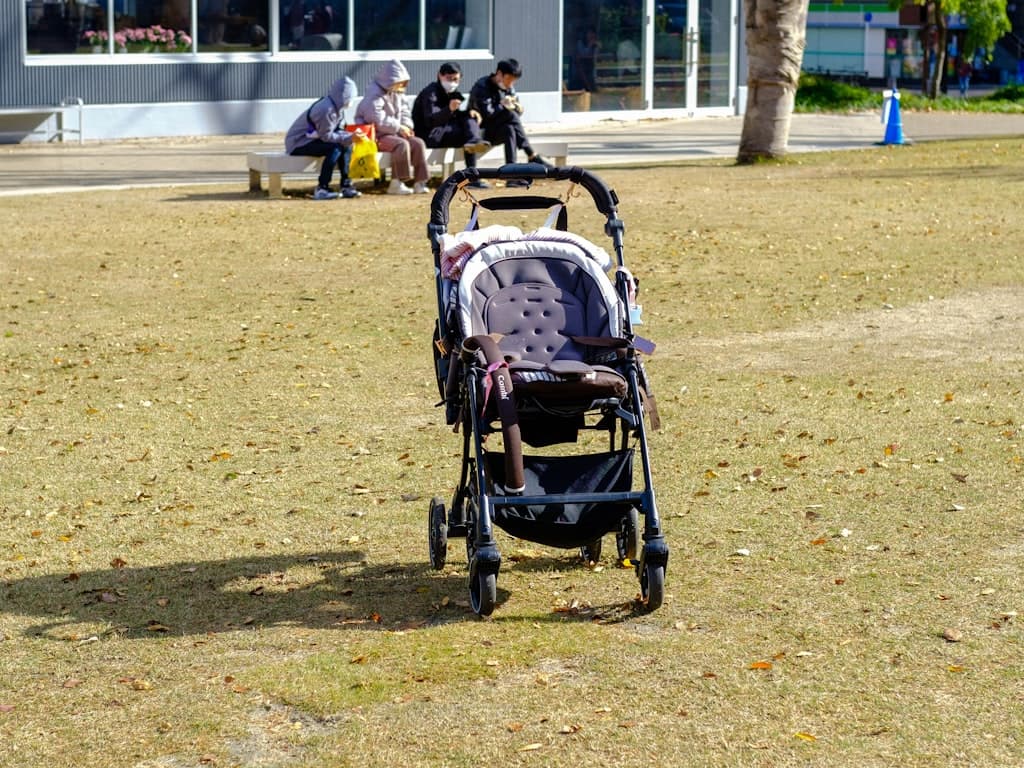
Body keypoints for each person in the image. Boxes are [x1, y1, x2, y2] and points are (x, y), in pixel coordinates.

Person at [469, 58, 554, 185]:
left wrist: (517, 107)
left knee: (509, 129)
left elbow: (516, 112)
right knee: (510, 116)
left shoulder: (508, 87)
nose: (510, 84)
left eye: (514, 81)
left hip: (500, 128)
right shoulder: (482, 86)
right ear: (499, 74)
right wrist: (503, 106)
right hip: (482, 131)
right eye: (509, 79)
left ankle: (511, 175)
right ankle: (531, 155)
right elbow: (487, 115)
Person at [355, 59, 430, 195]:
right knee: (401, 145)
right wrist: (399, 127)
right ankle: (397, 183)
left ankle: (420, 182)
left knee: (418, 143)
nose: (402, 85)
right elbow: (375, 119)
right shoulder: (374, 94)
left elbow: (405, 112)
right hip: (376, 135)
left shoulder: (397, 91)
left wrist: (406, 126)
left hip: (394, 133)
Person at [284, 75, 365, 200]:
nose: (352, 101)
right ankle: (322, 188)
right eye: (351, 98)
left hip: (313, 139)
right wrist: (350, 137)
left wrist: (351, 137)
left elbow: (337, 131)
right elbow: (327, 136)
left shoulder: (336, 107)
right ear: (344, 97)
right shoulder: (326, 110)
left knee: (346, 145)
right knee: (335, 149)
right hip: (299, 142)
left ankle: (346, 185)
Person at [412, 62, 492, 189]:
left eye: (456, 79)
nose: (452, 82)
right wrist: (449, 109)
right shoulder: (431, 92)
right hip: (431, 135)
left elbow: (454, 117)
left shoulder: (453, 93)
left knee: (470, 118)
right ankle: (472, 175)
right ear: (440, 76)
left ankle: (473, 143)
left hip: (445, 131)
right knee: (467, 136)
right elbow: (430, 121)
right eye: (449, 78)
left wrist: (469, 112)